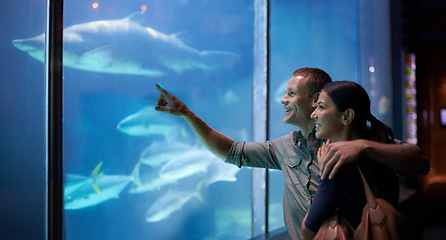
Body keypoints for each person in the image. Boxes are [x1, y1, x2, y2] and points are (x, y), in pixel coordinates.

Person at [154, 67, 429, 239]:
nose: (283, 99)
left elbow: (419, 162)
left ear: (315, 100)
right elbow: (233, 151)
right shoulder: (284, 147)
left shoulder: (363, 139)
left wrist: (364, 147)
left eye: (290, 93)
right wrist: (187, 115)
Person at [301, 80, 399, 239]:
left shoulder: (338, 167)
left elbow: (307, 230)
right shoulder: (381, 154)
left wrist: (324, 175)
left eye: (321, 107)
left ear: (347, 116)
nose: (313, 114)